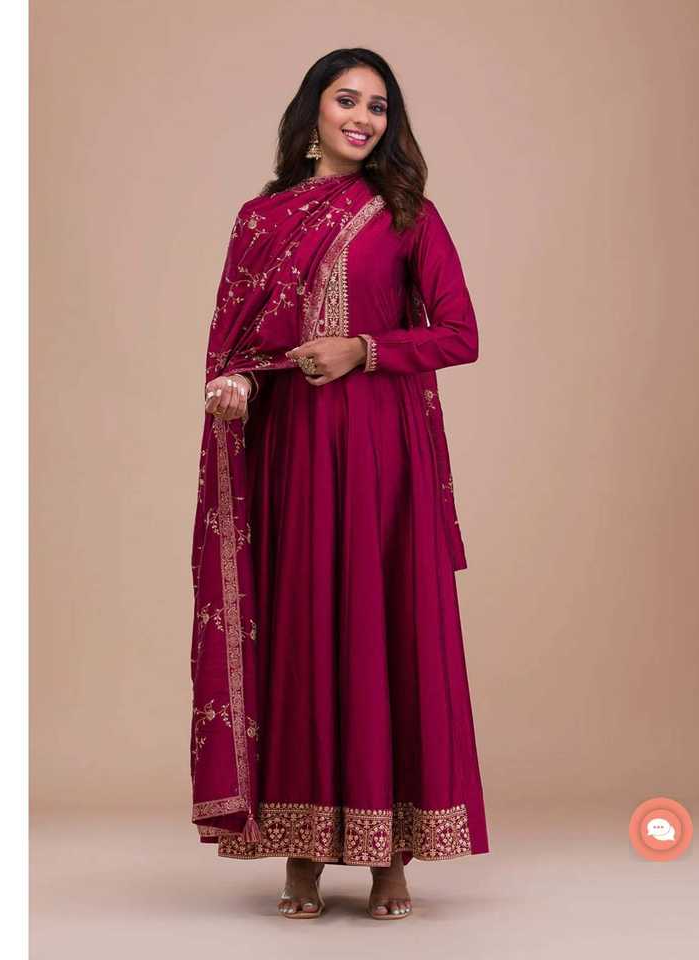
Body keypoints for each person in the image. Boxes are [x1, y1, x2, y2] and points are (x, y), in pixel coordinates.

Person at [189, 47, 489, 921]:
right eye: (347, 100)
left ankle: (391, 856)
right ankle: (304, 849)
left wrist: (365, 350)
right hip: (294, 455)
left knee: (383, 628)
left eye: (378, 106)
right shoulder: (261, 220)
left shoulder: (406, 215)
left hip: (384, 454)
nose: (363, 118)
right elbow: (242, 349)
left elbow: (460, 334)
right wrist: (238, 386)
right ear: (312, 113)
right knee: (304, 632)